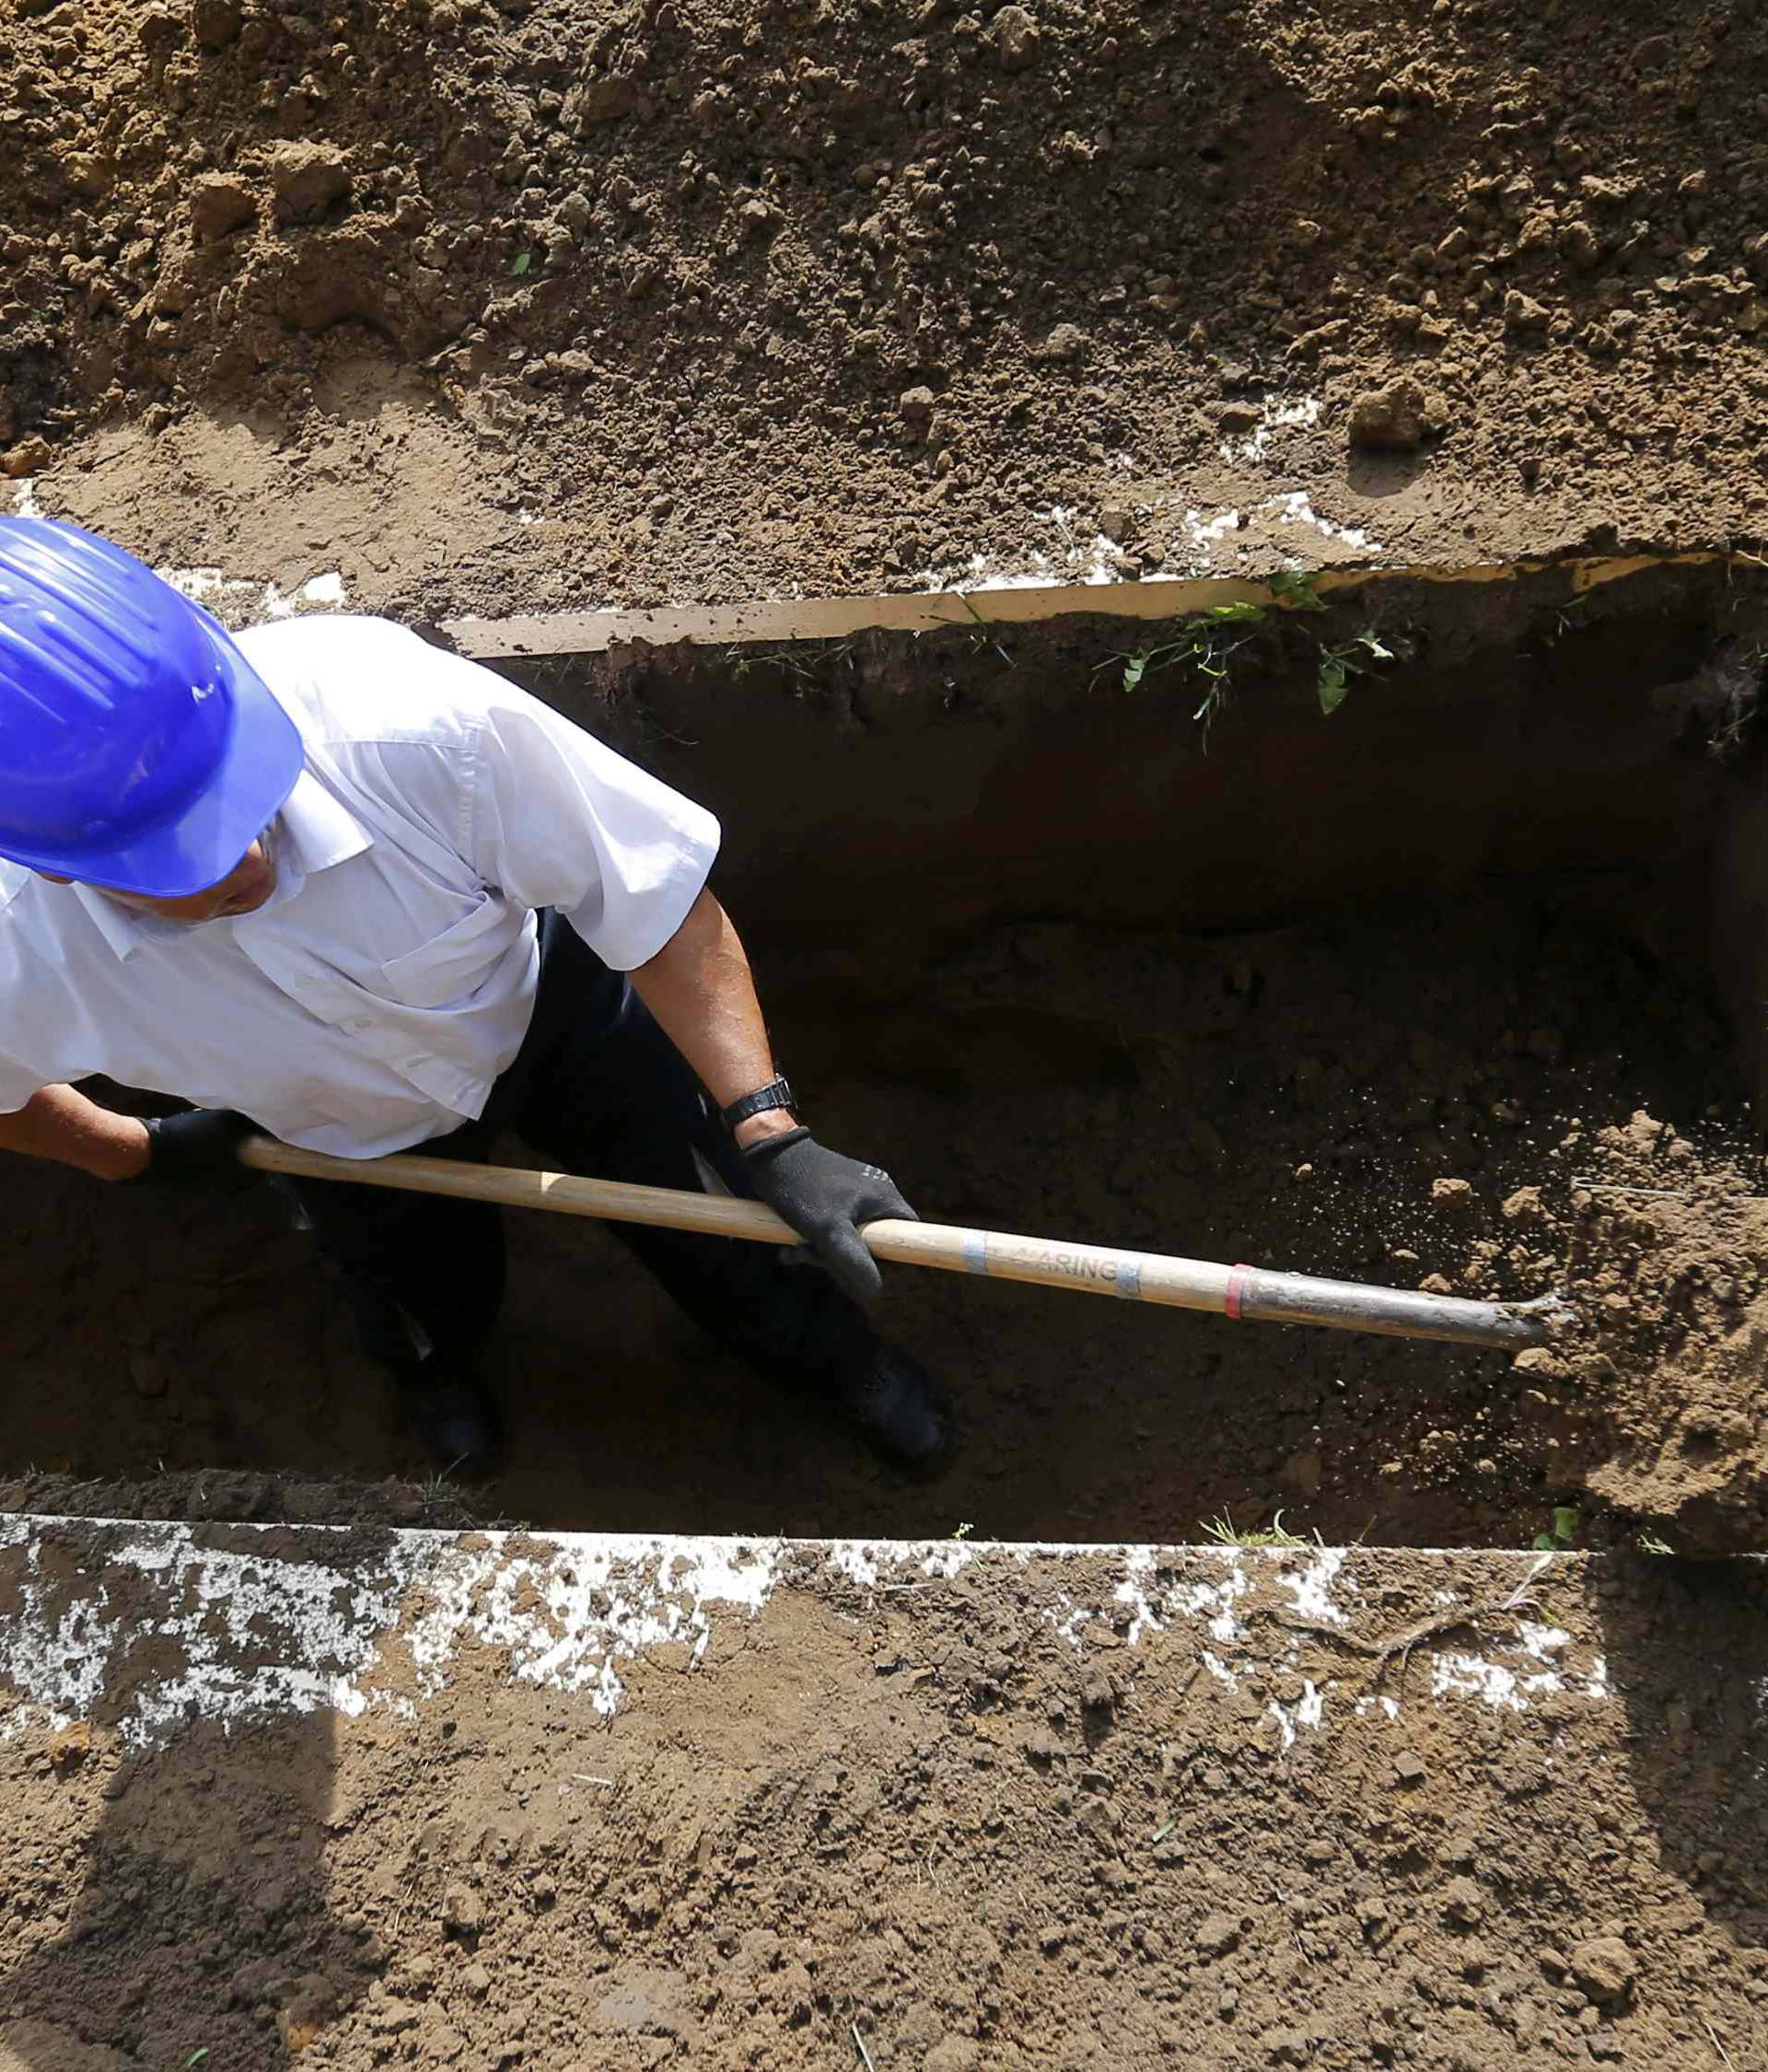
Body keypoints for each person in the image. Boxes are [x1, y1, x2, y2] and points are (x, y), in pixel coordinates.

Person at [0, 517, 950, 1476]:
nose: (245, 855)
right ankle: (435, 1373)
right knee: (421, 1297)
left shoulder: (404, 720)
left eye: (234, 788)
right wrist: (131, 1152)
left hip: (554, 1014)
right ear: (57, 864)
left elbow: (650, 896)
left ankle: (828, 1357)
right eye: (181, 851)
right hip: (350, 1146)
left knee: (722, 1239)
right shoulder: (14, 950)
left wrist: (765, 1126)